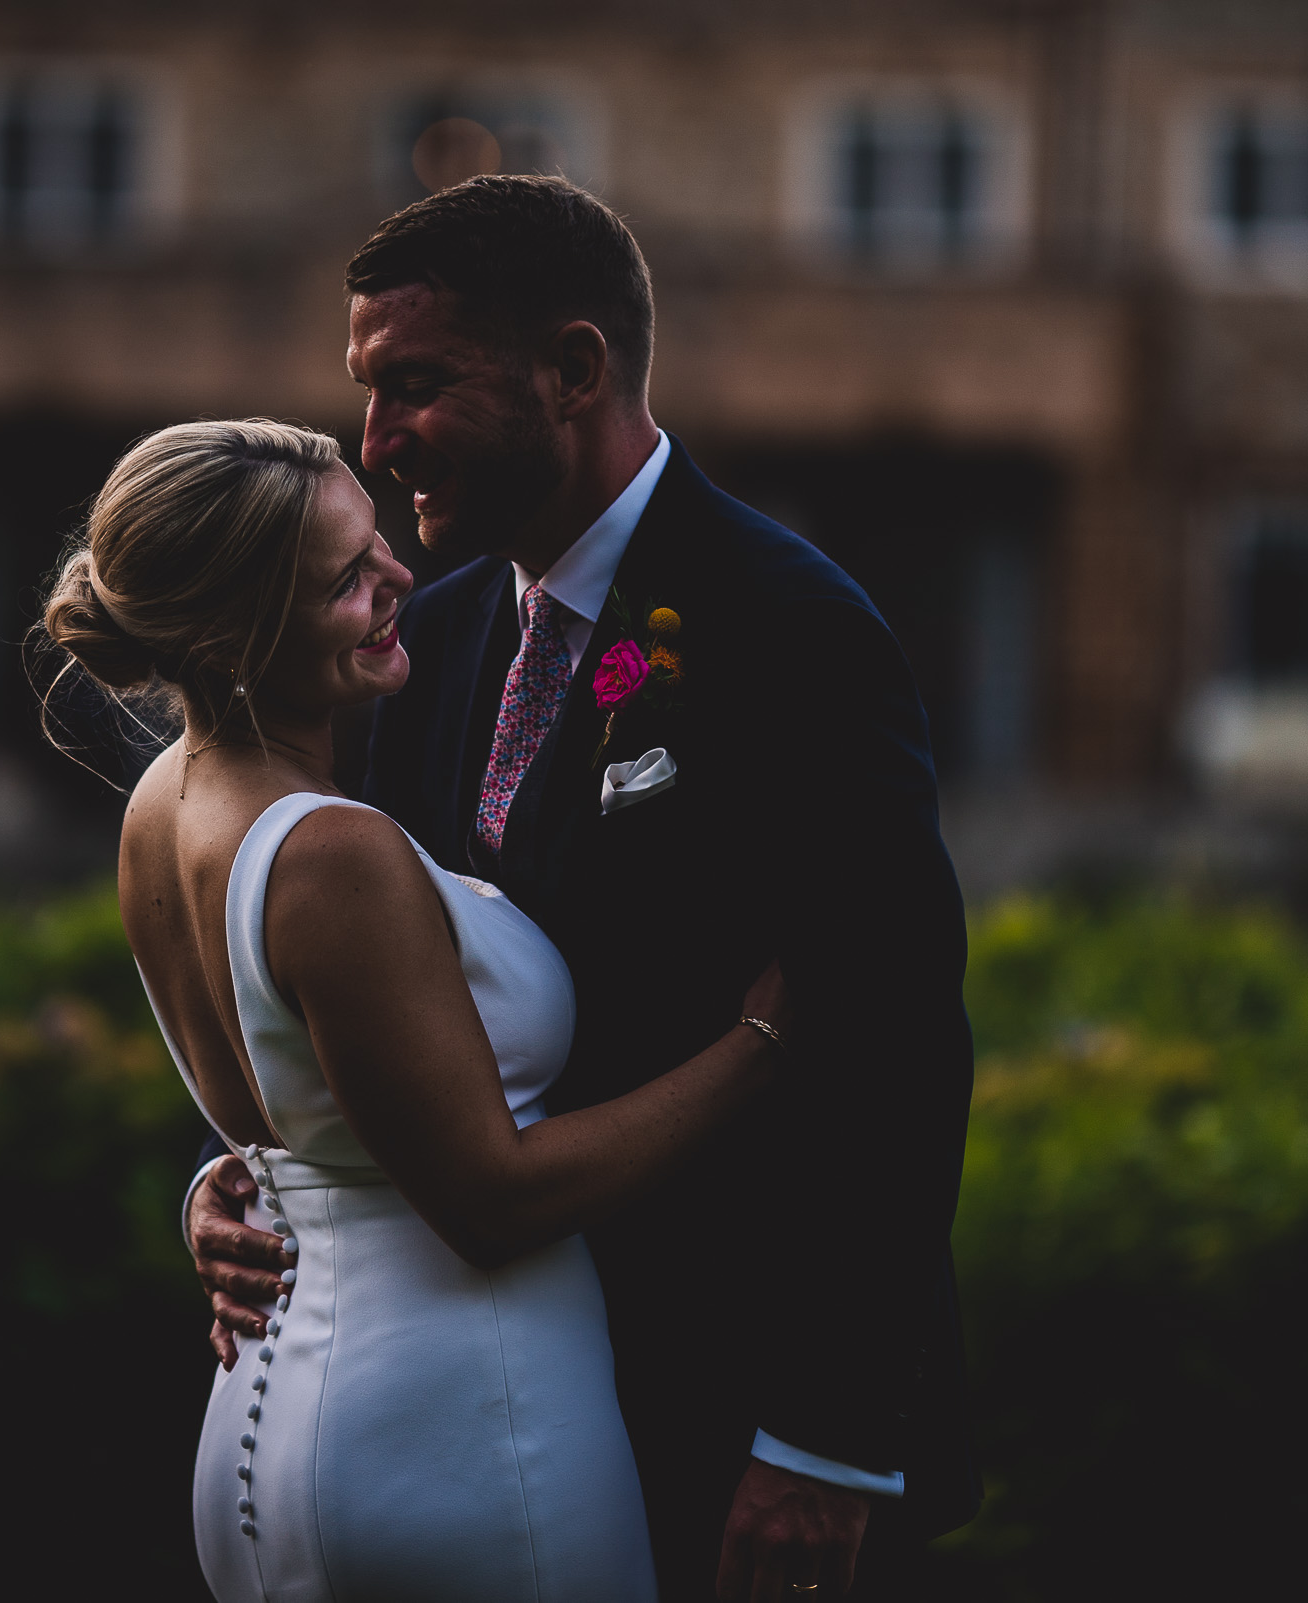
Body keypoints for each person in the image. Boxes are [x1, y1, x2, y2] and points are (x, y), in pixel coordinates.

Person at [184, 177, 980, 1600]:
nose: (375, 440)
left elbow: (896, 1042)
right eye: (368, 392)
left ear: (572, 369)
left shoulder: (788, 625)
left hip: (735, 1413)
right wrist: (250, 1179)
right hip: (503, 1402)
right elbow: (371, 987)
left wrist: (829, 1436)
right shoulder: (432, 636)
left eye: (416, 385)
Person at [42, 417, 793, 1601]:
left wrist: (212, 1183)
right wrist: (758, 1046)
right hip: (465, 1419)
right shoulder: (334, 851)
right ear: (242, 633)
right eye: (345, 579)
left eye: (375, 540)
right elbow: (492, 1199)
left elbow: (284, 1096)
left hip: (266, 1412)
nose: (399, 574)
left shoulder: (158, 803)